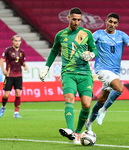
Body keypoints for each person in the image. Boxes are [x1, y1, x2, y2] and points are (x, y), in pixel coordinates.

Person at [39, 7, 98, 144]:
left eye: (78, 20)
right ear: (69, 18)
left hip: (85, 73)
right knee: (69, 98)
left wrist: (91, 54)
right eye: (74, 19)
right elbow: (54, 51)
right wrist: (46, 67)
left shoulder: (87, 33)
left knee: (86, 104)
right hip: (68, 73)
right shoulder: (60, 35)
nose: (76, 22)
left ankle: (77, 133)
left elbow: (95, 49)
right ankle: (70, 130)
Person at [85, 13, 129, 131]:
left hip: (115, 72)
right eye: (110, 22)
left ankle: (89, 122)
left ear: (117, 24)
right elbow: (89, 45)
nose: (112, 24)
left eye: (115, 23)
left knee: (101, 100)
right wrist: (88, 51)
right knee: (120, 88)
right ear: (106, 21)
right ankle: (104, 110)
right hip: (102, 69)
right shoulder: (98, 34)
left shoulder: (121, 35)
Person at [0, 35, 28, 118]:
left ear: (21, 42)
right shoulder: (8, 50)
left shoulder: (22, 52)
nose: (17, 42)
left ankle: (16, 113)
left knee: (18, 93)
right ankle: (3, 106)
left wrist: (25, 66)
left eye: (19, 41)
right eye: (16, 41)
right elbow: (1, 60)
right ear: (12, 41)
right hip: (9, 75)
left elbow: (23, 61)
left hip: (19, 75)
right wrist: (3, 69)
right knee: (6, 95)